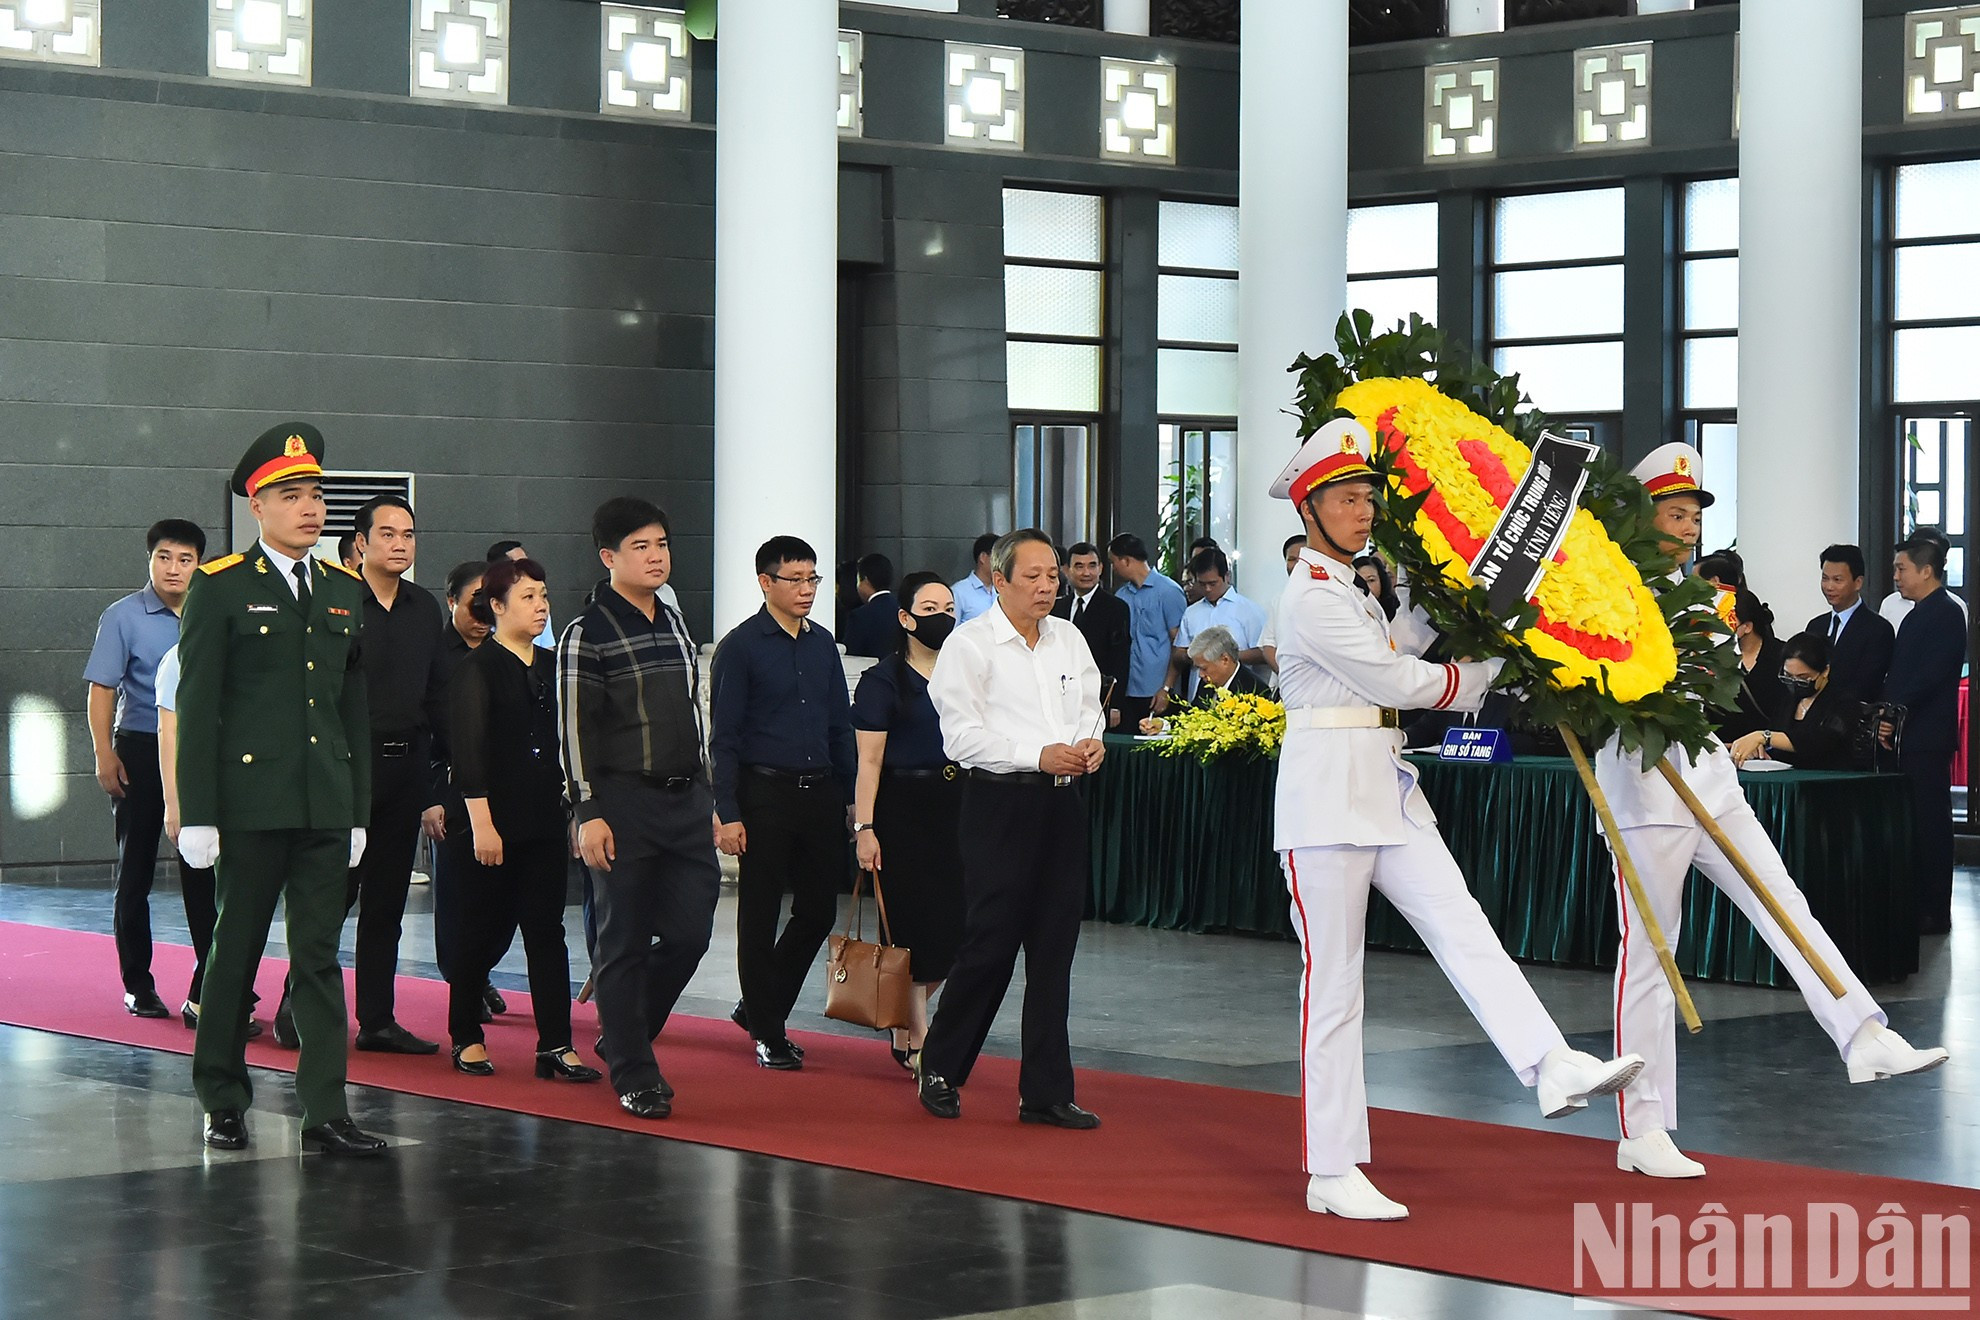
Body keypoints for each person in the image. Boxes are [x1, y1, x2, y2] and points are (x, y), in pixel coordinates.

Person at [1267, 419, 1642, 1221]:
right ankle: (1331, 1169)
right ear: (1309, 510)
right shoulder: (1309, 597)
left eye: (1367, 496)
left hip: (1386, 786)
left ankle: (1550, 1062)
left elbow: (1400, 646)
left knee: (1464, 925)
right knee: (1334, 988)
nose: (1362, 511)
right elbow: (1396, 678)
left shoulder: (1354, 592)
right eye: (1344, 498)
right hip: (1327, 800)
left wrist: (1467, 610)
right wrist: (1482, 665)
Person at [1594, 443, 1947, 1180]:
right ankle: (1643, 1126)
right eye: (1676, 514)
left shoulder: (1699, 598)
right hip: (1644, 783)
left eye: (1695, 516)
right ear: (1641, 516)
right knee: (1654, 956)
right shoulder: (1607, 592)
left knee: (1785, 900)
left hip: (1710, 777)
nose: (1689, 529)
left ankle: (1861, 1034)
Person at [178, 422, 385, 1156]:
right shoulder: (220, 586)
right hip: (251, 805)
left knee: (320, 959)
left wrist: (356, 808)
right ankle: (222, 1097)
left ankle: (325, 1110)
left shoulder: (340, 588)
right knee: (234, 951)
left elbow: (351, 708)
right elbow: (199, 708)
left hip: (324, 803)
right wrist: (197, 815)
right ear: (257, 507)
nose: (309, 508)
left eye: (316, 495)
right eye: (291, 495)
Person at [917, 529, 1106, 1129]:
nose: (1048, 585)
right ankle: (941, 1065)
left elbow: (1087, 707)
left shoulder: (1070, 639)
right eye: (1034, 576)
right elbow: (961, 737)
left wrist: (1090, 745)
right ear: (998, 580)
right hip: (998, 803)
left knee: (1055, 950)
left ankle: (1046, 1090)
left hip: (1062, 805)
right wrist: (1038, 753)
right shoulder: (970, 645)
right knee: (990, 943)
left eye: (1053, 574)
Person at [559, 497, 720, 1118]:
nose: (656, 558)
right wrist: (587, 811)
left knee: (690, 933)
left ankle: (623, 1031)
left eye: (662, 545)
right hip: (620, 803)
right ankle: (634, 1069)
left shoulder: (675, 621)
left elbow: (693, 716)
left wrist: (709, 796)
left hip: (686, 803)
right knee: (621, 937)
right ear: (609, 558)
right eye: (640, 548)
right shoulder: (586, 631)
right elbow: (575, 733)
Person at [442, 557, 599, 1084]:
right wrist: (483, 824)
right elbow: (469, 752)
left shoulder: (553, 663)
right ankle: (466, 1034)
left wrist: (578, 815)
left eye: (544, 595)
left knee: (546, 931)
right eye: (528, 597)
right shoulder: (477, 667)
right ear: (497, 606)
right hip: (488, 819)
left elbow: (570, 747)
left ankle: (555, 1042)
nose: (540, 605)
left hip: (542, 818)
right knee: (481, 929)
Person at [301, 493, 445, 1057]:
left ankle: (378, 1020)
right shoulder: (335, 601)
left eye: (408, 534)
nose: (400, 544)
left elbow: (436, 695)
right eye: (387, 534)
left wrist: (436, 784)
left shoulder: (423, 607)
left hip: (405, 765)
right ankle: (299, 1003)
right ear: (360, 543)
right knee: (333, 896)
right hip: (344, 770)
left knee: (387, 901)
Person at [710, 536, 857, 1071]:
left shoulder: (822, 644)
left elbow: (840, 724)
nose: (806, 589)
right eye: (794, 579)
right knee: (759, 914)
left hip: (820, 793)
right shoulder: (741, 646)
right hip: (763, 793)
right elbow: (723, 737)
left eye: (813, 578)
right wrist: (726, 810)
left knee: (818, 911)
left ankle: (758, 1006)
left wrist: (850, 798)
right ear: (765, 582)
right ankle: (769, 1032)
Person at [83, 519, 206, 1019]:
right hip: (138, 750)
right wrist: (102, 753)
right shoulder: (122, 616)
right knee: (135, 873)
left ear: (200, 563)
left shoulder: (211, 611)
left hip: (199, 754)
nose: (173, 569)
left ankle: (209, 983)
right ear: (149, 559)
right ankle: (138, 983)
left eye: (185, 559)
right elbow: (101, 688)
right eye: (163, 557)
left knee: (204, 869)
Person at [850, 572, 966, 1074]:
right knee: (911, 927)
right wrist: (866, 828)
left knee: (959, 930)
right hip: (903, 808)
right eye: (930, 608)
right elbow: (868, 764)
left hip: (959, 804)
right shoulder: (883, 680)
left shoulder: (966, 673)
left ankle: (905, 1023)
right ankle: (916, 1038)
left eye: (948, 608)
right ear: (905, 617)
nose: (942, 617)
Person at [150, 641, 244, 1037]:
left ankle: (220, 993)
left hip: (246, 791)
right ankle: (203, 996)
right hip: (199, 794)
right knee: (205, 901)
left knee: (240, 902)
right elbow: (167, 731)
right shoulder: (178, 656)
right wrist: (174, 804)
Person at [432, 561, 506, 1024]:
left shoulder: (507, 653)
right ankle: (464, 979)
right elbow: (426, 729)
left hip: (505, 790)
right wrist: (433, 794)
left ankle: (479, 970)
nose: (482, 611)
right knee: (458, 898)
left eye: (490, 601)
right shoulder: (434, 655)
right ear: (452, 601)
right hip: (452, 791)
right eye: (473, 600)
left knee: (501, 901)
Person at [1883, 532, 1967, 936]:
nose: (1896, 576)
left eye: (1902, 568)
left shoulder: (1948, 613)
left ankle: (1936, 909)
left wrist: (1895, 710)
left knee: (1932, 824)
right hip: (1907, 732)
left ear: (1926, 570)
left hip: (1927, 735)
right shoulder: (1916, 613)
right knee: (1912, 823)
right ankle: (1916, 903)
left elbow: (1929, 677)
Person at [1725, 633, 1857, 771]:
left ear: (1825, 671)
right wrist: (1758, 749)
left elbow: (1820, 741)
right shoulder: (1788, 700)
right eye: (1788, 676)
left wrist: (1765, 737)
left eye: (1803, 678)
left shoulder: (1843, 702)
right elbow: (1776, 738)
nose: (1795, 683)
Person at [1107, 533, 1186, 730]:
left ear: (1125, 561)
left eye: (1113, 562)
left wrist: (1166, 688)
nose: (1113, 568)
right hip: (1127, 689)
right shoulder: (1121, 595)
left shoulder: (1168, 592)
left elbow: (1179, 644)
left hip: (1157, 691)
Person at [1051, 542, 1131, 730]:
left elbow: (1120, 658)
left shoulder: (1116, 607)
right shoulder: (1056, 607)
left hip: (1099, 696)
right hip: (1061, 696)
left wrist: (1115, 704)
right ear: (1067, 570)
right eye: (1079, 566)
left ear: (1101, 568)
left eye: (1092, 566)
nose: (1086, 573)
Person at [1171, 547, 1268, 700]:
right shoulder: (1191, 612)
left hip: (1240, 696)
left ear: (1227, 576)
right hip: (1198, 696)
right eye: (1202, 584)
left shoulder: (1249, 611)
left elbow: (1263, 652)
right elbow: (1178, 653)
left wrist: (1222, 657)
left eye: (1213, 583)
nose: (1208, 589)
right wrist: (1197, 658)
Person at [1808, 544, 1894, 705]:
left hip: (1850, 720)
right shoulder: (1816, 626)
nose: (1829, 587)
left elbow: (1867, 686)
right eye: (1825, 578)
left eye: (1837, 580)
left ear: (1858, 582)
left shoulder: (1878, 630)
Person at [1715, 589, 1785, 743]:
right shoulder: (1714, 657)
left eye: (1728, 620)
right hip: (1726, 749)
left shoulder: (1781, 655)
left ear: (1747, 626)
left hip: (1768, 750)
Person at [1260, 533, 1307, 674]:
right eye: (1292, 560)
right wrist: (1288, 677)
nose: (1297, 565)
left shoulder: (1330, 595)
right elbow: (1268, 645)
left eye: (1302, 560)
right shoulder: (1279, 600)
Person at [841, 553, 901, 659]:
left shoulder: (860, 616)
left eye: (858, 580)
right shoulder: (902, 610)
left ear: (866, 580)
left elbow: (851, 656)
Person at [951, 533, 999, 624]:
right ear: (983, 557)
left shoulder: (1003, 590)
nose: (1001, 563)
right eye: (998, 557)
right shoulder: (958, 592)